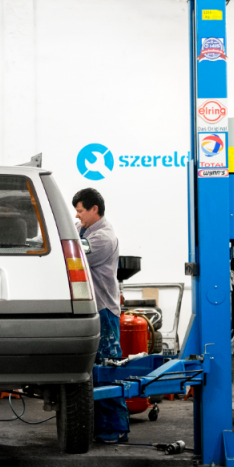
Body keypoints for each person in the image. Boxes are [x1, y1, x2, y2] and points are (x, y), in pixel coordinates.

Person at [72, 187, 129, 443]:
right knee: (92, 372)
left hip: (104, 310)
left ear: (94, 209)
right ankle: (98, 426)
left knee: (107, 369)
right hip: (91, 310)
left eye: (80, 211)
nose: (77, 215)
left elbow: (72, 258)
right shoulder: (82, 229)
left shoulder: (103, 238)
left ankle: (117, 428)